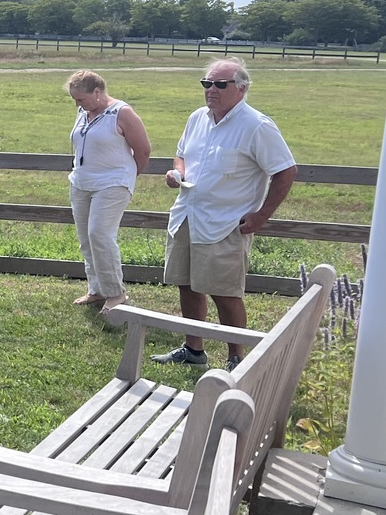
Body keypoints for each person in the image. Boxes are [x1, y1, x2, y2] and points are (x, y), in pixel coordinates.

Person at [151, 58, 297, 368]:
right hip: (188, 215)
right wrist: (177, 172)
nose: (211, 90)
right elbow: (181, 153)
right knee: (187, 284)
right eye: (207, 84)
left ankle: (236, 358)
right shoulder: (197, 118)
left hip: (225, 223)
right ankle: (194, 350)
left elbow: (285, 171)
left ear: (242, 89)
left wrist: (261, 216)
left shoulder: (257, 126)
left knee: (225, 294)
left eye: (220, 84)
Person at [65, 71, 152, 316]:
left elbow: (143, 150)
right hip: (81, 182)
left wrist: (127, 179)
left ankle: (116, 293)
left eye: (80, 99)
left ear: (97, 92)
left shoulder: (122, 113)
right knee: (86, 237)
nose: (77, 104)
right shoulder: (83, 111)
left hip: (113, 183)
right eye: (74, 99)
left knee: (100, 234)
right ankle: (97, 289)